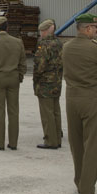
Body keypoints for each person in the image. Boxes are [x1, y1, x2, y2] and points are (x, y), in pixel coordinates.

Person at [63, 13, 97, 194]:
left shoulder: (66, 47)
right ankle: (87, 193)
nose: (95, 30)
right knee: (93, 146)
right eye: (93, 27)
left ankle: (79, 182)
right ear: (88, 29)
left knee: (76, 144)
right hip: (91, 99)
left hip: (71, 98)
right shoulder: (96, 49)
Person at [0, 16, 27, 150]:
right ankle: (13, 143)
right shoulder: (18, 42)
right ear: (6, 27)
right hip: (13, 78)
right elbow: (23, 63)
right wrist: (19, 76)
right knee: (14, 112)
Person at [34, 19, 63, 149]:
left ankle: (50, 141)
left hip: (45, 83)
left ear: (45, 31)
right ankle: (57, 138)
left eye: (41, 31)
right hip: (57, 81)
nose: (40, 34)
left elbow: (40, 66)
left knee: (47, 113)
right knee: (56, 111)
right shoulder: (58, 43)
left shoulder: (44, 45)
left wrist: (36, 79)